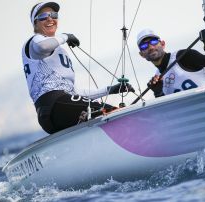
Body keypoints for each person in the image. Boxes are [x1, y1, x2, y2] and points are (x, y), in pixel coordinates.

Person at [22, 2, 134, 134]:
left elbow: (73, 93)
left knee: (102, 115)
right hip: (55, 104)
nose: (50, 18)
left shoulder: (59, 50)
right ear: (35, 23)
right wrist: (66, 36)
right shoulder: (36, 41)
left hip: (55, 110)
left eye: (53, 15)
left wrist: (110, 90)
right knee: (118, 114)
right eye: (43, 16)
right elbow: (43, 46)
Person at [137, 29, 205, 97]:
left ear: (163, 44)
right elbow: (167, 112)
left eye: (154, 42)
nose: (150, 47)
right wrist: (158, 92)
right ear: (142, 54)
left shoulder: (183, 56)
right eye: (144, 46)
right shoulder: (156, 80)